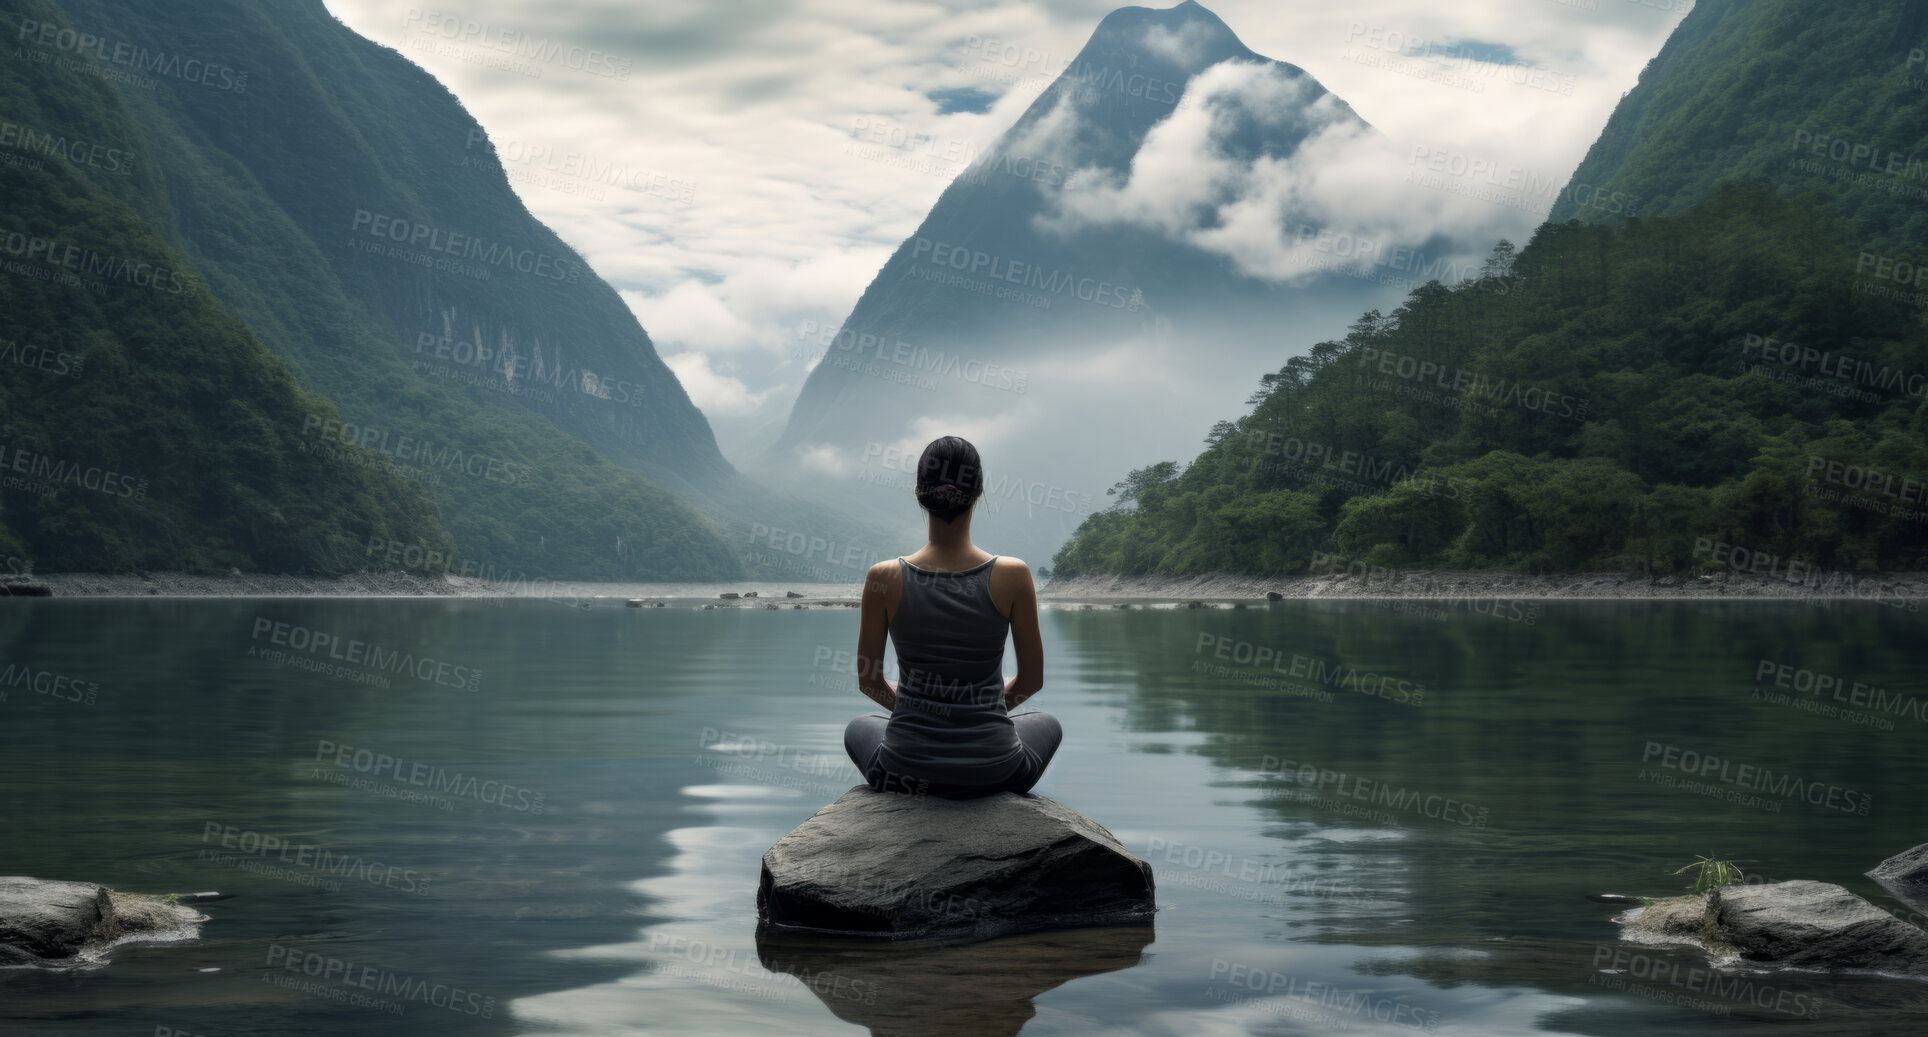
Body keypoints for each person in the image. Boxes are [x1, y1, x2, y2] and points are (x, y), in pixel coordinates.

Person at [841, 436, 1062, 799]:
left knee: (860, 726)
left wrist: (926, 710)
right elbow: (1031, 680)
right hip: (996, 770)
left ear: (918, 493)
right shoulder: (1013, 575)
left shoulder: (883, 577)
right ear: (977, 493)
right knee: (1046, 722)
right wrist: (971, 713)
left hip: (903, 769)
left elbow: (870, 682)